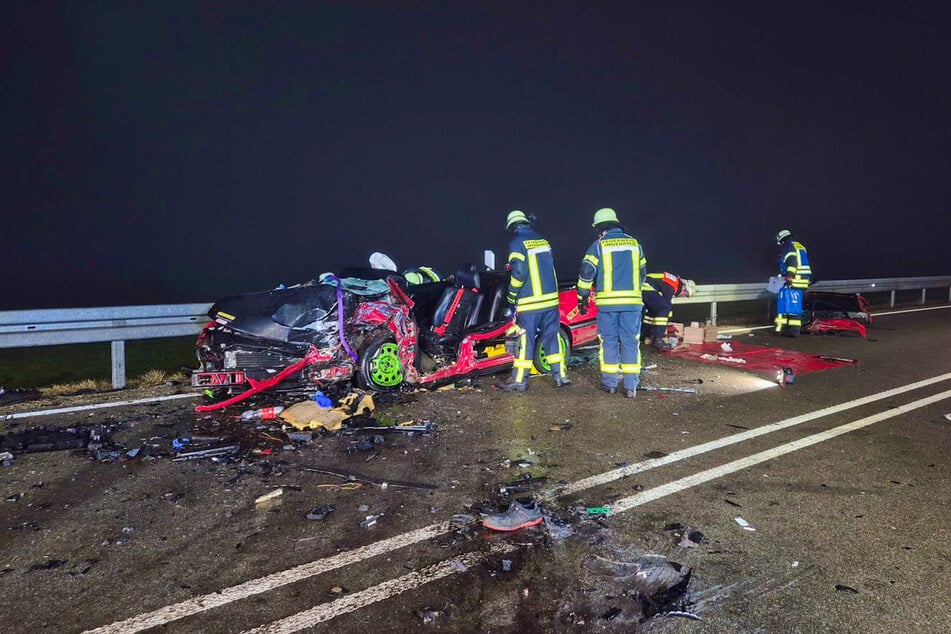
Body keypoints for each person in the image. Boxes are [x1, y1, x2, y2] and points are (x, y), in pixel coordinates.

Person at [496, 210, 570, 392]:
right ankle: (560, 376)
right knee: (552, 338)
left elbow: (519, 272)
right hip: (551, 301)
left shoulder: (516, 243)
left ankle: (519, 380)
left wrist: (511, 296)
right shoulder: (543, 241)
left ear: (513, 227)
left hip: (530, 303)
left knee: (525, 340)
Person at [576, 208, 646, 397]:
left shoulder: (599, 245)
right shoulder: (635, 244)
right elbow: (642, 274)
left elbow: (586, 271)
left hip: (608, 305)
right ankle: (631, 387)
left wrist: (582, 296)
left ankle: (610, 384)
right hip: (632, 305)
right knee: (631, 342)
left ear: (600, 228)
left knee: (609, 343)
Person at [641, 272, 696, 349]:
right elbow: (667, 306)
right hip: (646, 287)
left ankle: (644, 334)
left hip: (644, 285)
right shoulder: (673, 286)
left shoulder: (674, 282)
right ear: (684, 288)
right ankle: (658, 340)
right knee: (664, 308)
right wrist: (669, 325)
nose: (683, 297)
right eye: (686, 294)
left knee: (654, 310)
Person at [774, 229, 812, 337]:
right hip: (803, 280)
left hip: (796, 280)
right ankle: (791, 330)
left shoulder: (789, 247)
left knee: (792, 305)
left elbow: (792, 262)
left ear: (782, 240)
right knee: (795, 304)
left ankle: (793, 331)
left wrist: (789, 276)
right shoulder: (799, 246)